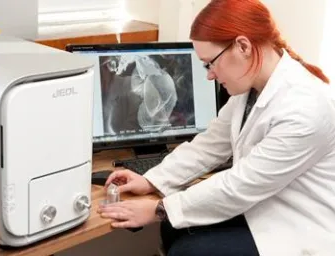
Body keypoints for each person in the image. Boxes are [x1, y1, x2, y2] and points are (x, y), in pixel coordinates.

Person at [97, 0, 335, 255]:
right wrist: (152, 179)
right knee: (173, 229)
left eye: (210, 63)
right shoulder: (251, 91)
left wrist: (159, 209)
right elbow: (208, 145)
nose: (209, 75)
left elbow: (240, 185)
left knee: (189, 251)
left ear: (243, 46)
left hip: (299, 228)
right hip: (265, 207)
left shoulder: (306, 108)